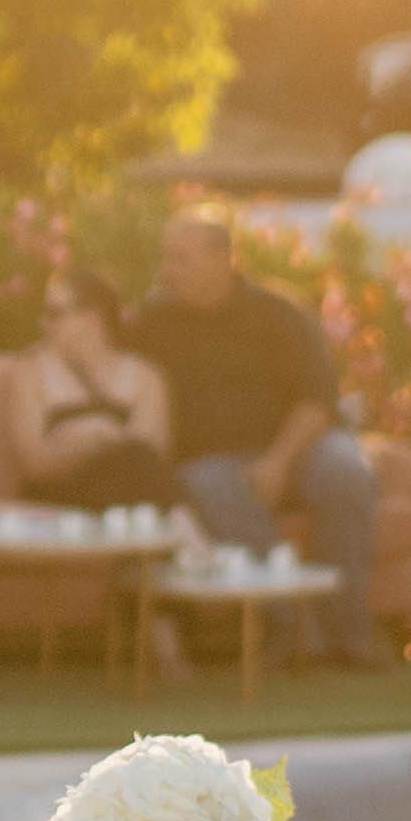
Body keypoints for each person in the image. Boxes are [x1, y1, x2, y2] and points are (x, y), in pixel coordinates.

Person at [127, 201, 378, 661]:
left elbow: (316, 399)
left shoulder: (277, 315)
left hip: (298, 447)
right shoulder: (153, 324)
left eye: (180, 258)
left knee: (346, 470)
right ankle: (294, 629)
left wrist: (278, 462)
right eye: (166, 257)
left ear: (223, 258)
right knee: (206, 484)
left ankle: (352, 633)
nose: (168, 269)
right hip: (214, 461)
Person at [5, 272, 171, 513]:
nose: (43, 323)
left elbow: (152, 454)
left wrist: (92, 442)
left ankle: (184, 537)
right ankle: (190, 538)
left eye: (54, 314)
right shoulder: (32, 370)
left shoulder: (146, 376)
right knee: (130, 469)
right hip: (61, 491)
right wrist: (94, 445)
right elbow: (34, 463)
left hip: (128, 487)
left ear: (92, 318)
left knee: (134, 464)